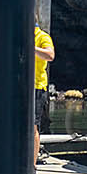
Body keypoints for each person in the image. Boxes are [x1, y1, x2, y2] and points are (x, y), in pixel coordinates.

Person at [35, 25, 56, 165]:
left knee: (32, 126)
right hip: (17, 85)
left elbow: (50, 55)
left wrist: (32, 47)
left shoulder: (42, 37)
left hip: (36, 87)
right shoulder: (16, 34)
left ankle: (32, 164)